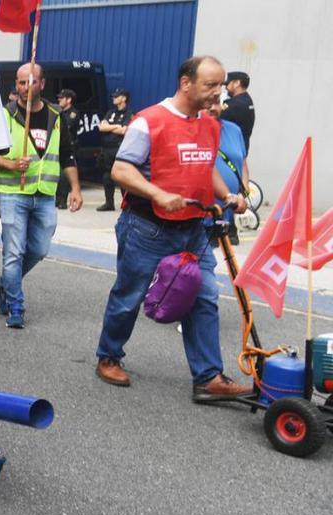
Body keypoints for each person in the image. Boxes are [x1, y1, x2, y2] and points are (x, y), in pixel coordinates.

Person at [93, 55, 252, 401]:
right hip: (147, 228)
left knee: (205, 297)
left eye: (221, 85)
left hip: (194, 229)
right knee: (129, 297)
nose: (217, 93)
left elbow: (205, 167)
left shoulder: (210, 125)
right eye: (210, 85)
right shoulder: (149, 121)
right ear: (186, 83)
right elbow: (122, 171)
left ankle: (208, 377)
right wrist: (157, 194)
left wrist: (228, 195)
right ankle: (108, 356)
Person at [0, 62, 83, 329]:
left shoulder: (56, 114)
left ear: (42, 84)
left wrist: (75, 188)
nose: (26, 88)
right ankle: (15, 306)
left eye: (31, 82)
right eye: (21, 83)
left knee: (39, 249)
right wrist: (9, 164)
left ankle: (4, 282)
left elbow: (67, 155)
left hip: (44, 193)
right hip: (12, 192)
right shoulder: (5, 115)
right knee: (14, 252)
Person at [206, 99, 248, 245]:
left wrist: (244, 191)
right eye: (208, 103)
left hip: (226, 211)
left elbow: (242, 163)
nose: (212, 107)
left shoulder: (234, 130)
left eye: (216, 103)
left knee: (217, 259)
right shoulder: (191, 130)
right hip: (200, 215)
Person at [97, 88, 132, 211]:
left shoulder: (129, 113)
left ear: (124, 98)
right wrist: (116, 126)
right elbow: (101, 127)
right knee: (107, 177)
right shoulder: (111, 112)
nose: (114, 98)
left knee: (122, 178)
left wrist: (110, 127)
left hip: (119, 148)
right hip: (107, 150)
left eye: (117, 96)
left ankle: (127, 204)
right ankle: (109, 203)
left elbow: (124, 130)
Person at [54, 89, 82, 210]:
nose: (59, 100)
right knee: (57, 173)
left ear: (69, 100)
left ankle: (62, 200)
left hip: (70, 146)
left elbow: (66, 126)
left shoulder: (73, 113)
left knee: (64, 174)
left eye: (62, 98)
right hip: (58, 145)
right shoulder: (59, 113)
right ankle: (57, 198)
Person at [220, 71, 254, 151]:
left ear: (237, 83)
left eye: (227, 84)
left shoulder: (235, 104)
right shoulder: (247, 99)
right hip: (240, 147)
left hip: (231, 150)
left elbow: (214, 119)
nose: (226, 88)